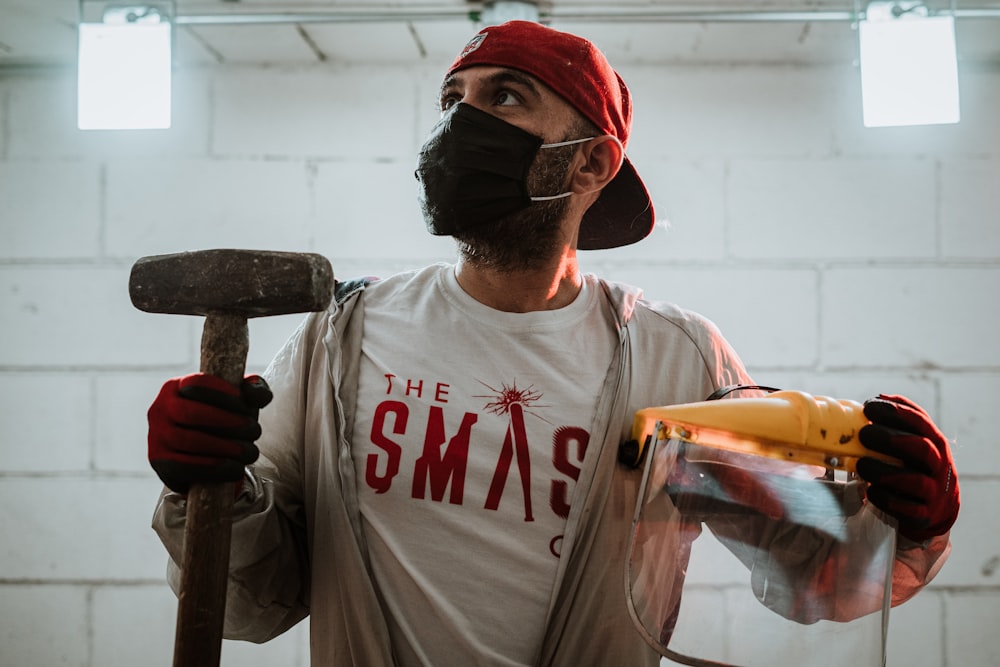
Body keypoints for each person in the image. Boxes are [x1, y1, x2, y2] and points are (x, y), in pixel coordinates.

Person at [148, 20, 959, 666]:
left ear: (592, 163)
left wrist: (904, 518)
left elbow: (810, 565)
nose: (462, 123)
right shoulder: (342, 336)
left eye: (504, 98)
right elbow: (255, 600)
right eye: (451, 98)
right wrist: (206, 486)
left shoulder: (675, 361)